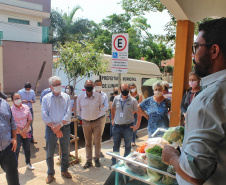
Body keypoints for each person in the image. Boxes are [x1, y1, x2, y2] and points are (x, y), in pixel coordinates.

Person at [162, 18, 226, 185]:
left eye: (197, 47)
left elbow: (195, 174)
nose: (193, 54)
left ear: (214, 51)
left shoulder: (209, 100)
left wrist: (172, 157)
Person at [42, 76, 72, 184]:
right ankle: (50, 174)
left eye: (59, 83)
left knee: (65, 151)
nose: (58, 86)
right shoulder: (46, 98)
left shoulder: (66, 97)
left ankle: (64, 170)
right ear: (50, 86)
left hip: (65, 127)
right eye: (55, 84)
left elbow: (68, 114)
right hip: (51, 129)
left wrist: (59, 125)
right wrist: (55, 129)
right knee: (49, 153)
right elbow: (44, 115)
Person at [111, 83, 139, 165]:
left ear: (129, 90)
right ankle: (114, 163)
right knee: (116, 146)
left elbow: (138, 112)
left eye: (127, 89)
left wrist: (137, 125)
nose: (125, 91)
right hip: (117, 126)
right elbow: (112, 108)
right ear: (120, 90)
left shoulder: (133, 100)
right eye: (123, 90)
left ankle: (126, 163)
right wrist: (112, 119)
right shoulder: (116, 99)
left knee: (127, 146)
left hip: (128, 127)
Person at [77, 80, 102, 169]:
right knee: (88, 142)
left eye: (91, 85)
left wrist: (96, 116)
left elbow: (100, 108)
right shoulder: (80, 97)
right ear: (84, 86)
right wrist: (84, 118)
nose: (89, 86)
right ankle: (88, 161)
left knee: (97, 142)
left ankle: (97, 159)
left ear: (93, 86)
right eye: (87, 85)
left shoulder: (98, 96)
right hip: (86, 122)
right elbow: (79, 110)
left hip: (97, 122)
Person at [11, 93, 34, 170]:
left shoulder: (26, 107)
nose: (18, 100)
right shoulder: (11, 110)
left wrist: (25, 129)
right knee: (16, 150)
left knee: (27, 148)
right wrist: (21, 132)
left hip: (27, 131)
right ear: (12, 100)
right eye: (15, 99)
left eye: (19, 98)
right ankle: (15, 166)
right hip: (16, 133)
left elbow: (30, 119)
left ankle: (28, 163)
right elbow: (11, 123)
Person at [0, 97, 20, 185]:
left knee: (13, 179)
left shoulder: (4, 104)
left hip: (8, 148)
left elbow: (12, 123)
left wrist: (14, 138)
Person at [94, 80, 109, 157]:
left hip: (101, 118)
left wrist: (99, 107)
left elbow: (107, 107)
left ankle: (98, 152)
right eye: (97, 85)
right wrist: (101, 106)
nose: (98, 86)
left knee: (99, 136)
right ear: (94, 86)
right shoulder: (91, 94)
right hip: (93, 118)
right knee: (92, 137)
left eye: (99, 85)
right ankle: (93, 152)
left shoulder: (104, 95)